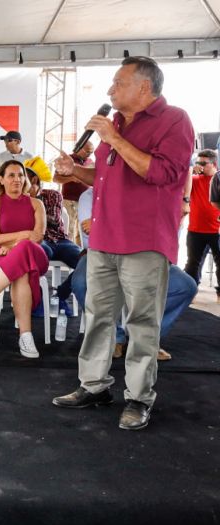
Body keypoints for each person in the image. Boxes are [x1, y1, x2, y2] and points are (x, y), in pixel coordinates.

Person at [52, 56, 194, 431]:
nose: (110, 90)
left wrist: (114, 138)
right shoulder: (115, 123)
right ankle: (94, 385)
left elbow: (161, 173)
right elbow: (103, 177)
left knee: (142, 322)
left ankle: (138, 397)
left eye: (118, 83)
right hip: (102, 239)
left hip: (144, 241)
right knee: (97, 316)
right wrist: (74, 171)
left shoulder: (174, 120)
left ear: (143, 87)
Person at [71, 187, 197, 362]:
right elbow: (90, 235)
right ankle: (115, 337)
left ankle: (145, 339)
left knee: (186, 286)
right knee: (79, 282)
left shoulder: (145, 193)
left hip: (141, 254)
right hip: (99, 253)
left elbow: (155, 230)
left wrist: (104, 223)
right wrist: (128, 225)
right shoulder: (90, 195)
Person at [0, 160, 49, 358]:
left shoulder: (36, 204)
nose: (17, 179)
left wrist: (13, 246)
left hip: (35, 255)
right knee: (21, 272)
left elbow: (37, 236)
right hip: (0, 257)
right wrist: (24, 235)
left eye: (20, 175)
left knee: (24, 248)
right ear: (1, 179)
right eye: (11, 175)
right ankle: (26, 336)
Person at [26, 156, 81, 314]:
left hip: (61, 240)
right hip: (40, 241)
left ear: (34, 179)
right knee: (35, 254)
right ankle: (37, 300)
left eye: (23, 177)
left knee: (87, 260)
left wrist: (32, 206)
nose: (19, 181)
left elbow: (55, 221)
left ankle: (60, 295)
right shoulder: (18, 198)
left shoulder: (52, 195)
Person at [183, 150, 220, 299]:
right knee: (192, 264)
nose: (201, 166)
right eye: (198, 163)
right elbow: (181, 180)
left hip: (216, 230)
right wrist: (192, 168)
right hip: (195, 230)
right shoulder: (194, 180)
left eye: (203, 163)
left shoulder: (217, 180)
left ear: (214, 164)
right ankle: (189, 292)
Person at [54, 141, 94, 245]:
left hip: (85, 202)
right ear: (79, 148)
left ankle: (81, 252)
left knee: (82, 230)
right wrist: (72, 177)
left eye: (91, 152)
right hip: (69, 200)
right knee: (70, 228)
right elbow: (55, 178)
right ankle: (70, 250)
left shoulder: (90, 161)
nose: (89, 154)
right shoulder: (68, 160)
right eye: (87, 152)